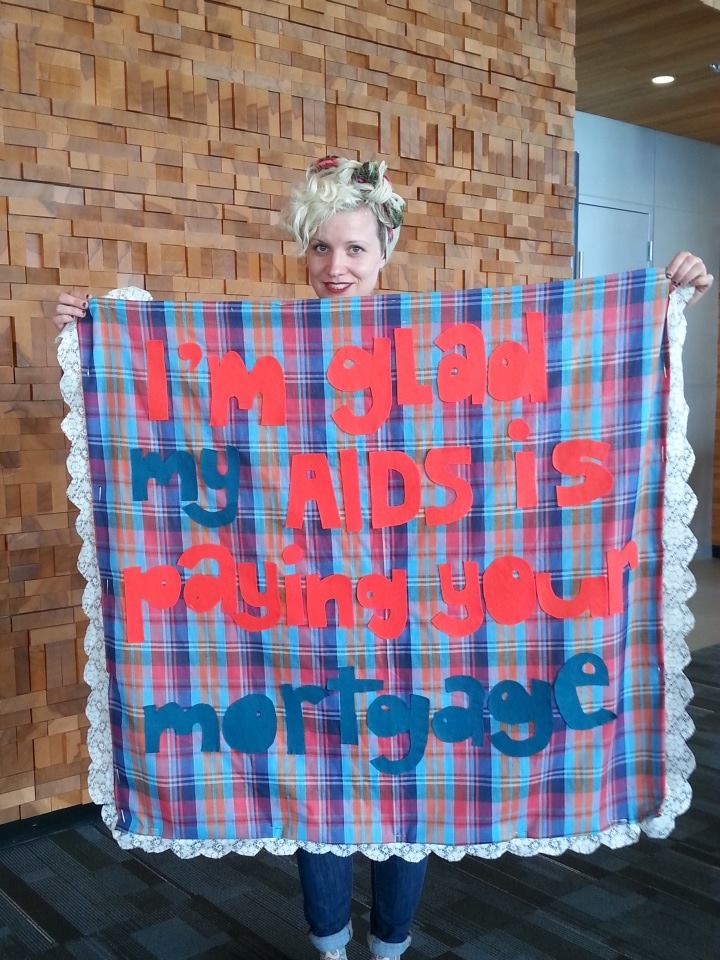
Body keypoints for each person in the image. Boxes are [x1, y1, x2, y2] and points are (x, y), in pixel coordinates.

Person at [51, 157, 715, 960]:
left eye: (354, 248)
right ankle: (332, 947)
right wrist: (104, 328)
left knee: (413, 782)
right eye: (321, 247)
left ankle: (392, 946)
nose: (336, 266)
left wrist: (665, 297)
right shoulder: (270, 350)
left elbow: (555, 364)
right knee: (314, 778)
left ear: (384, 251)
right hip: (304, 616)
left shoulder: (432, 345)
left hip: (417, 616)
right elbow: (180, 367)